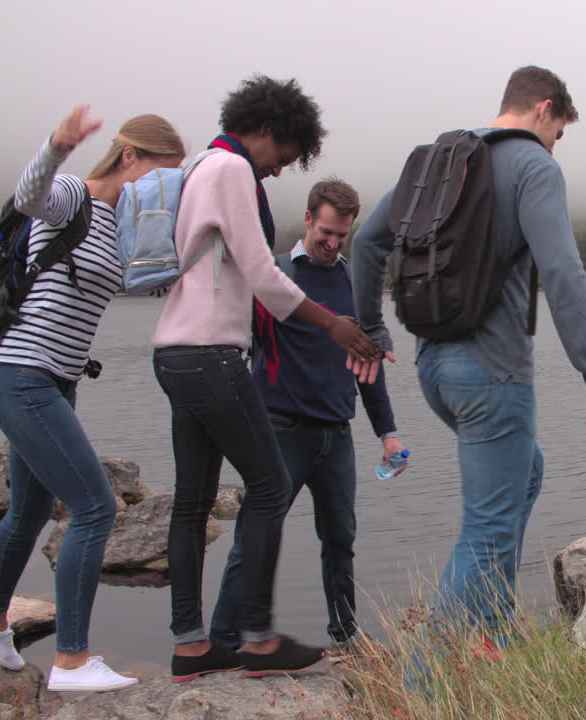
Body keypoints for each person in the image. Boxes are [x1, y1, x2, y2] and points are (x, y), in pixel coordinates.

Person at [353, 66, 586, 642]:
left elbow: (366, 243)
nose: (555, 147)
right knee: (487, 529)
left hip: (432, 368)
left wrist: (372, 328)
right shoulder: (533, 166)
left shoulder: (442, 163)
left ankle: (492, 632)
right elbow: (564, 275)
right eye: (558, 133)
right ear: (544, 108)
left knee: (527, 473)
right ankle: (426, 678)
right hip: (493, 374)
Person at [150, 75, 382, 682]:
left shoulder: (198, 165)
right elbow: (261, 272)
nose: (279, 169)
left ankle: (191, 646)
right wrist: (332, 324)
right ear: (268, 129)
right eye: (283, 155)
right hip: (211, 353)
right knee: (272, 488)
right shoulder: (231, 169)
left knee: (192, 503)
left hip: (173, 351)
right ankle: (257, 641)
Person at [0, 107, 185, 692]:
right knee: (95, 508)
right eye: (161, 172)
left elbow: (154, 276)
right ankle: (71, 660)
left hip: (55, 381)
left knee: (30, 510)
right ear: (129, 157)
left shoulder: (124, 223)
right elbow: (28, 194)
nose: (165, 186)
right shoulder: (72, 196)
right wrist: (58, 144)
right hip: (20, 374)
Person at [209, 178, 405, 653]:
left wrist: (388, 432)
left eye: (342, 235)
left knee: (340, 541)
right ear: (308, 219)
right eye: (326, 232)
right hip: (280, 431)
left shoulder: (353, 282)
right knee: (255, 536)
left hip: (337, 436)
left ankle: (346, 635)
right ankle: (225, 639)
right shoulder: (275, 274)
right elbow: (234, 344)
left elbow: (368, 364)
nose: (333, 243)